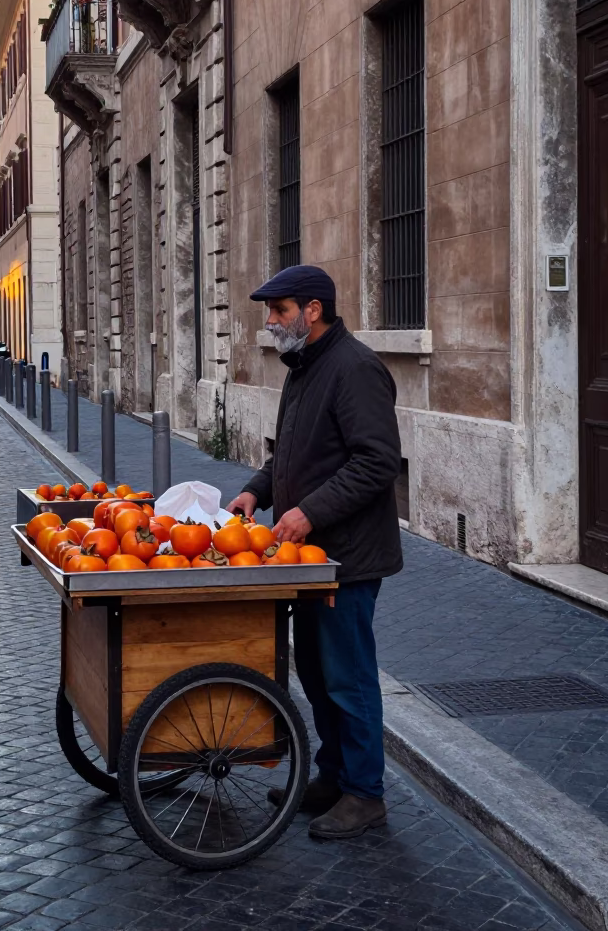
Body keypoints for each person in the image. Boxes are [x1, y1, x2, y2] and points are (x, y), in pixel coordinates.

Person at [227, 264, 402, 840]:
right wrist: (257, 490)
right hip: (309, 557)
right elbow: (295, 455)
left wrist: (311, 511)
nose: (271, 323)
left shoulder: (355, 369)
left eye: (279, 312)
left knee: (348, 676)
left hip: (348, 558)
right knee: (319, 673)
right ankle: (333, 774)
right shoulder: (306, 367)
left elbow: (376, 462)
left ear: (313, 310)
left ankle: (365, 794)